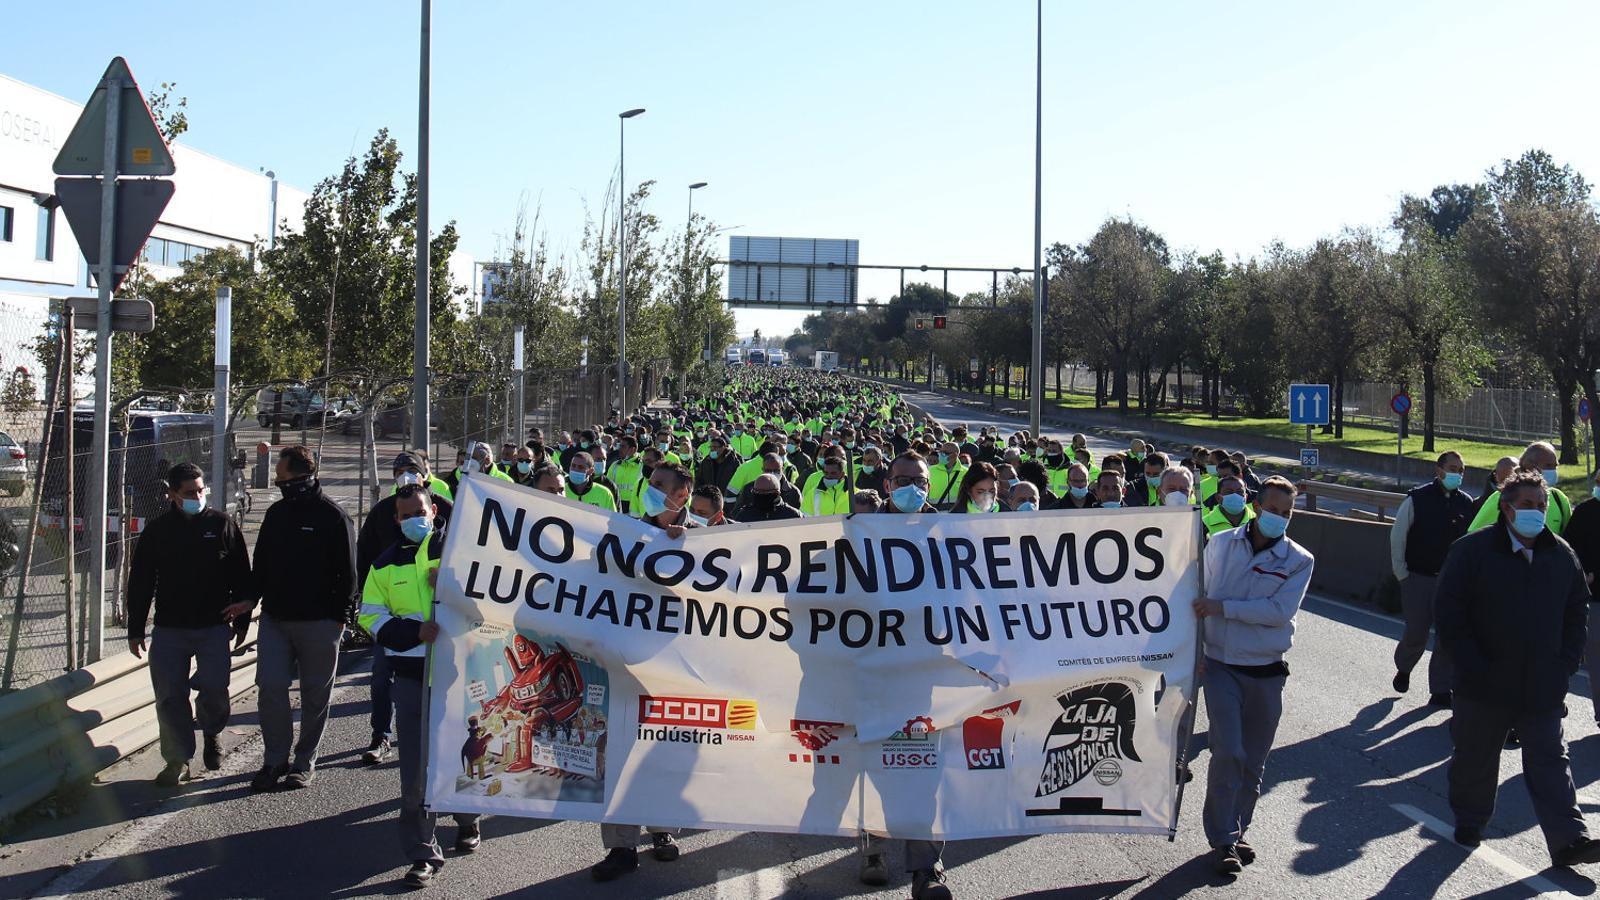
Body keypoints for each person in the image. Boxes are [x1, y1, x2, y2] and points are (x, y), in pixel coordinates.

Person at [1434, 470, 1600, 867]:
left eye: (1541, 506)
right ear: (1506, 508)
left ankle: (1569, 840)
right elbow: (1450, 615)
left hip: (1542, 683)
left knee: (1550, 760)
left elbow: (1578, 610)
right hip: (1483, 682)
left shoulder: (1561, 555)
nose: (1536, 513)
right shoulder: (1471, 552)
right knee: (1476, 757)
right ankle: (1470, 821)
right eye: (1527, 505)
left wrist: (1564, 665)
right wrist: (1473, 666)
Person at [359, 485, 480, 887]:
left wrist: (450, 585)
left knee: (462, 758)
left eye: (420, 511)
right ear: (396, 519)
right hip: (411, 678)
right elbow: (370, 616)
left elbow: (488, 601)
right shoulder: (384, 565)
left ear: (434, 511)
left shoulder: (460, 550)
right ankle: (422, 852)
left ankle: (467, 818)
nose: (415, 519)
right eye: (406, 514)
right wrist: (412, 632)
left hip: (459, 678)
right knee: (415, 771)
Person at [1192, 476, 1314, 875]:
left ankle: (1239, 828)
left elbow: (1278, 612)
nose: (1278, 518)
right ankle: (1223, 839)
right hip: (1221, 665)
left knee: (1254, 761)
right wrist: (1193, 650)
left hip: (1267, 670)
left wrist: (1223, 608)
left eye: (1286, 513)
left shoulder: (1299, 560)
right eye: (1273, 510)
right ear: (1256, 506)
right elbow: (1197, 597)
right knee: (1228, 751)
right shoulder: (1222, 544)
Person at [591, 464, 691, 881]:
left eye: (660, 487)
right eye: (650, 484)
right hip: (624, 665)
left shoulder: (706, 539)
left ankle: (663, 832)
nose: (650, 491)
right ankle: (620, 845)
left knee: (665, 752)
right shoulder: (626, 534)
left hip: (674, 669)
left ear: (682, 497)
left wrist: (685, 548)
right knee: (618, 754)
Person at [126, 462, 254, 786]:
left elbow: (242, 575)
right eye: (188, 492)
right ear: (171, 494)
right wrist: (135, 628)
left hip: (213, 626)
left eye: (200, 490)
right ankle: (177, 759)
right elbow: (140, 581)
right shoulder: (157, 532)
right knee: (170, 696)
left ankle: (212, 732)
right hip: (170, 629)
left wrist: (241, 621)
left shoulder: (222, 524)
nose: (197, 496)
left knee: (214, 688)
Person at [867, 450, 951, 899]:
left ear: (930, 486)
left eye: (918, 480)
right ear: (886, 485)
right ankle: (873, 851)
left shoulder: (950, 535)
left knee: (923, 769)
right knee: (871, 764)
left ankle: (927, 870)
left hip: (925, 671)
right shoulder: (858, 532)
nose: (910, 488)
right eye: (901, 480)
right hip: (868, 670)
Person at [249, 447, 357, 792]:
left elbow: (349, 574)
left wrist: (341, 617)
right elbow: (261, 563)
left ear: (298, 476)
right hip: (276, 619)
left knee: (315, 694)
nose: (277, 480)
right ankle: (274, 759)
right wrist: (249, 601)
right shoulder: (277, 513)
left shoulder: (333, 517)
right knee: (271, 687)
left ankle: (304, 761)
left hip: (320, 622)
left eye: (280, 474)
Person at [357, 452, 455, 766]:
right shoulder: (382, 514)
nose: (406, 476)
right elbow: (365, 557)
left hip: (452, 652)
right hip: (403, 648)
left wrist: (451, 582)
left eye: (412, 470)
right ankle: (381, 736)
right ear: (397, 519)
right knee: (381, 683)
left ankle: (463, 810)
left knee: (452, 731)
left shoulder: (449, 517)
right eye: (400, 471)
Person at [1390, 451, 1474, 708]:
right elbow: (1398, 536)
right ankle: (1404, 668)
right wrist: (1402, 574)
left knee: (1447, 637)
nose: (1457, 474)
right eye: (1452, 468)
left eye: (1461, 470)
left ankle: (1440, 689)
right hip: (1418, 578)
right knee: (1417, 632)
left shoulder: (1466, 502)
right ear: (1438, 470)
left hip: (1451, 583)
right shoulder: (1418, 498)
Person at [1468, 442, 1570, 534]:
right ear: (1531, 467)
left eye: (1555, 466)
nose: (1553, 470)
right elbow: (1473, 537)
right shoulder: (1502, 497)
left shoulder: (1559, 499)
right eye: (1548, 465)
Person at [1563, 469, 1600, 716]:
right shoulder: (1585, 512)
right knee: (1597, 658)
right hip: (1594, 598)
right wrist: (1583, 572)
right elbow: (1569, 550)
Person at [1471, 455, 1519, 521]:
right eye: (1503, 481)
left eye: (1510, 480)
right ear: (1495, 476)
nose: (1505, 485)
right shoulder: (1478, 504)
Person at [609, 435, 646, 515]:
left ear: (633, 449)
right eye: (619, 446)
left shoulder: (643, 466)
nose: (620, 449)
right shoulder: (615, 465)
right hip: (616, 507)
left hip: (635, 511)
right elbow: (608, 486)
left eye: (623, 447)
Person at [928, 442, 967, 510]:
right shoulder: (930, 470)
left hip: (957, 514)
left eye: (945, 452)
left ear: (955, 455)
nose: (940, 454)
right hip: (934, 514)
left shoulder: (966, 472)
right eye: (940, 451)